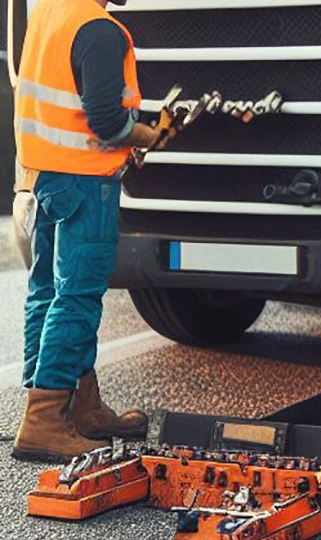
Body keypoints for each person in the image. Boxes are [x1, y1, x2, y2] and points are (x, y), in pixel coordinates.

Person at [12, 0, 170, 463]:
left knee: (46, 291)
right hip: (84, 181)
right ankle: (44, 422)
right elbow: (105, 121)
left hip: (43, 175)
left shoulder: (48, 13)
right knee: (77, 296)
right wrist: (146, 136)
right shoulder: (99, 29)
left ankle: (78, 408)